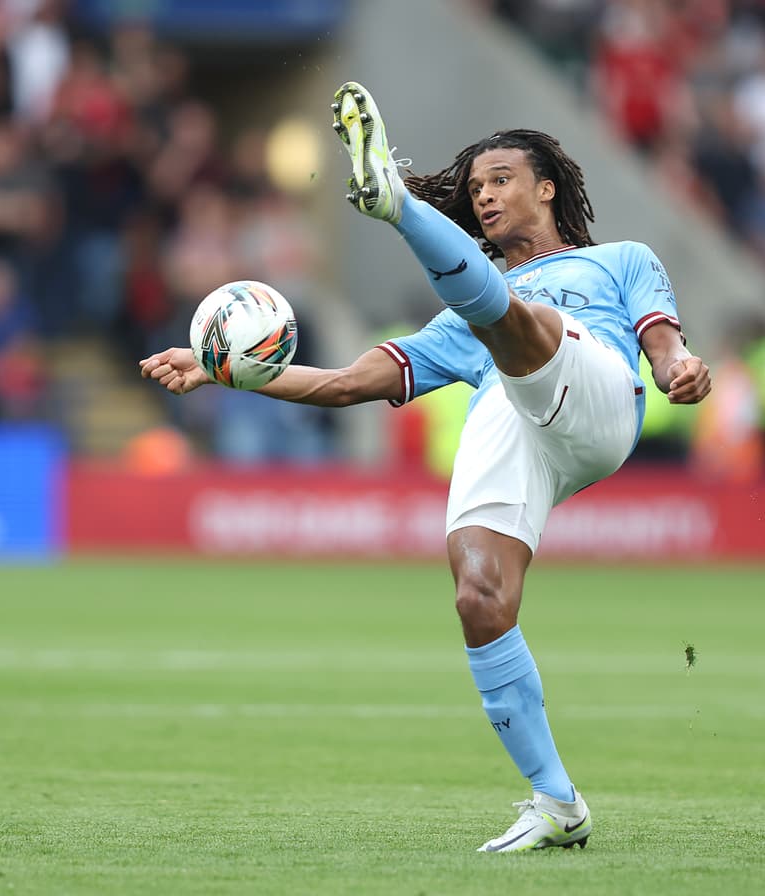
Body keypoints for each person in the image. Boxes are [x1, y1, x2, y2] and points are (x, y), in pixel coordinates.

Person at [141, 81, 712, 852]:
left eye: (501, 179)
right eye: (475, 189)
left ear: (547, 187)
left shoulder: (619, 262)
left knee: (523, 322)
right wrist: (227, 372)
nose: (485, 196)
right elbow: (343, 384)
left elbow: (664, 344)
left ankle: (396, 205)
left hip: (597, 393)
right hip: (515, 421)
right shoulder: (459, 319)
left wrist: (679, 368)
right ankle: (556, 801)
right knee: (479, 597)